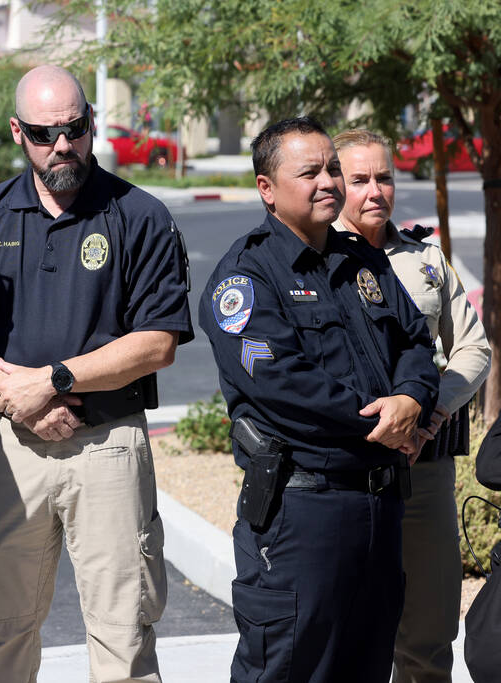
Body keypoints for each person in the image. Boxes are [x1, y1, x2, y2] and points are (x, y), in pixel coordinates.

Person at [0, 65, 193, 683]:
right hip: (10, 447)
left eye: (74, 128)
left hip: (109, 445)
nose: (62, 145)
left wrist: (51, 381)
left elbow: (157, 343)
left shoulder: (141, 214)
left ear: (91, 124)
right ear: (18, 132)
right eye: (46, 133)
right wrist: (13, 396)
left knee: (123, 636)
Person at [199, 116, 440, 682]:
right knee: (288, 667)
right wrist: (383, 417)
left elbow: (414, 342)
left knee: (367, 665)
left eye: (333, 168)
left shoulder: (362, 261)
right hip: (303, 516)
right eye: (310, 172)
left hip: (380, 509)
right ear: (267, 189)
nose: (329, 181)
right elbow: (284, 384)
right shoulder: (246, 277)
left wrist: (410, 398)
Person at [332, 129, 490, 683]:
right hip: (348, 472)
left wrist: (430, 413)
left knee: (428, 635)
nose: (376, 191)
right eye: (360, 180)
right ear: (334, 184)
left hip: (425, 472)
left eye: (384, 177)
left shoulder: (424, 258)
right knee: (348, 636)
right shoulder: (312, 259)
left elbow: (474, 348)